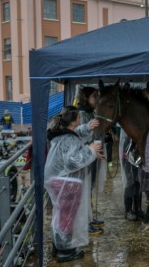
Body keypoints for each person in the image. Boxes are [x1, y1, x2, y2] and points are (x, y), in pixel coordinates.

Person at [44, 106, 104, 262]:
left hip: (58, 180)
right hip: (67, 182)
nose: (81, 119)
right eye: (79, 117)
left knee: (60, 215)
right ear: (74, 120)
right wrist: (90, 150)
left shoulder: (63, 134)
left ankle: (59, 246)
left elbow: (77, 139)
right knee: (67, 217)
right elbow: (73, 162)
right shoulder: (68, 138)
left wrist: (91, 149)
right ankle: (66, 251)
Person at [76, 86, 106, 235]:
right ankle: (85, 222)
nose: (97, 99)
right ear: (86, 98)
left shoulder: (90, 113)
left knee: (89, 188)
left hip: (91, 156)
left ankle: (89, 217)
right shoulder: (81, 115)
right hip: (85, 159)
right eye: (95, 96)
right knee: (84, 190)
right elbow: (80, 138)